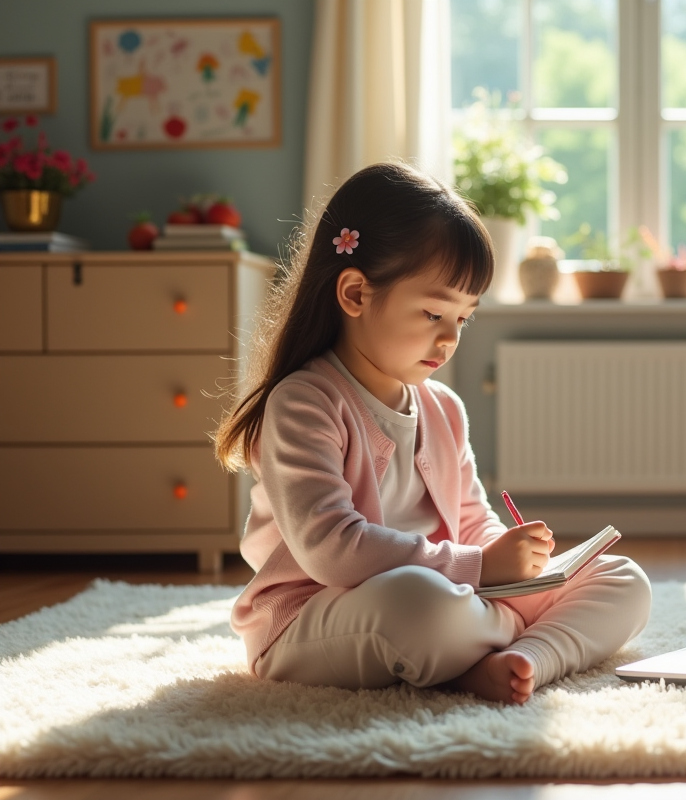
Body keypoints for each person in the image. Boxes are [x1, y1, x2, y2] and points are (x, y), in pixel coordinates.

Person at [212, 161, 652, 704]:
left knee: (621, 578)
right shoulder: (305, 402)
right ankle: (485, 643)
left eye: (463, 319)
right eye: (432, 313)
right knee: (418, 605)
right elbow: (333, 551)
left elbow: (469, 519)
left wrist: (512, 558)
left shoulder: (443, 407)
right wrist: (481, 568)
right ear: (354, 294)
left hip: (452, 594)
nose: (449, 339)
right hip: (317, 618)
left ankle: (524, 659)